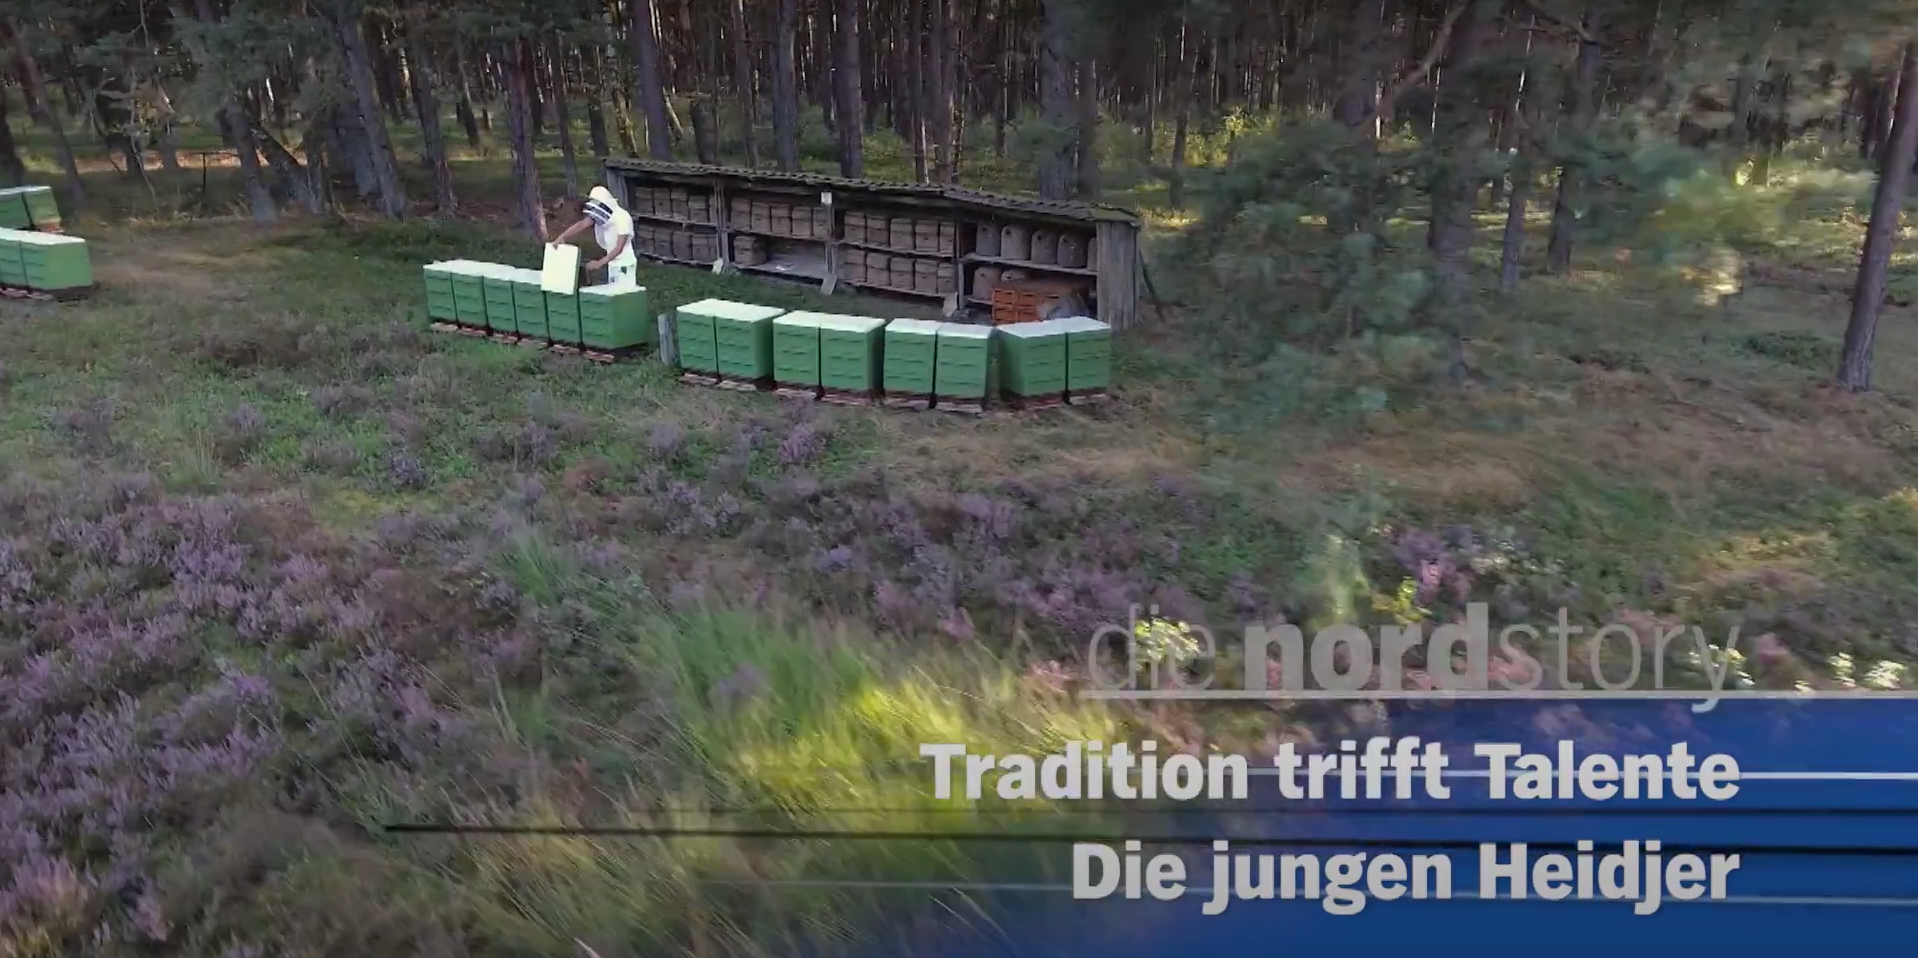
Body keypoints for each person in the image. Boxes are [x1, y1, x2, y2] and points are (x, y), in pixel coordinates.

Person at [551, 185, 637, 288]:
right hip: (612, 263)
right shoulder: (599, 216)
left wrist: (599, 263)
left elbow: (618, 248)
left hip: (625, 264)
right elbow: (581, 224)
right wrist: (561, 237)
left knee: (624, 297)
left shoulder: (623, 218)